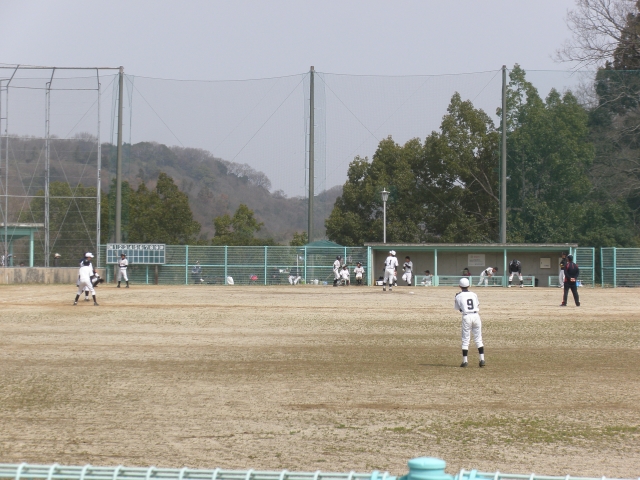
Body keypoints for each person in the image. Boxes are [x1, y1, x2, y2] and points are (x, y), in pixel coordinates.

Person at [454, 277, 485, 368]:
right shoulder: (474, 294)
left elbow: (458, 308)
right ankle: (482, 359)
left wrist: (456, 298)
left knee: (465, 339)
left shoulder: (458, 296)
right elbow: (477, 304)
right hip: (476, 316)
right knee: (478, 338)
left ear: (460, 286)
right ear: (469, 285)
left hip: (466, 316)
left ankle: (465, 361)